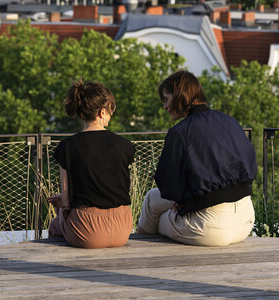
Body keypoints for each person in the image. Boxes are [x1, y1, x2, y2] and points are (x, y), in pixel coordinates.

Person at [137, 70, 256, 246]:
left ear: (179, 97)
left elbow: (167, 184)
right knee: (154, 199)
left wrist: (183, 201)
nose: (165, 106)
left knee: (158, 215)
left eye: (166, 99)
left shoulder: (180, 132)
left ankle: (139, 252)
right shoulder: (230, 121)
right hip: (246, 222)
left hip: (210, 228)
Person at [47, 80, 135, 248]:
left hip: (87, 230)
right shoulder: (125, 145)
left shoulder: (67, 146)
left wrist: (63, 205)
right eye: (112, 110)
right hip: (122, 228)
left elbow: (66, 203)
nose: (112, 114)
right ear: (102, 112)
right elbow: (117, 187)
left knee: (55, 225)